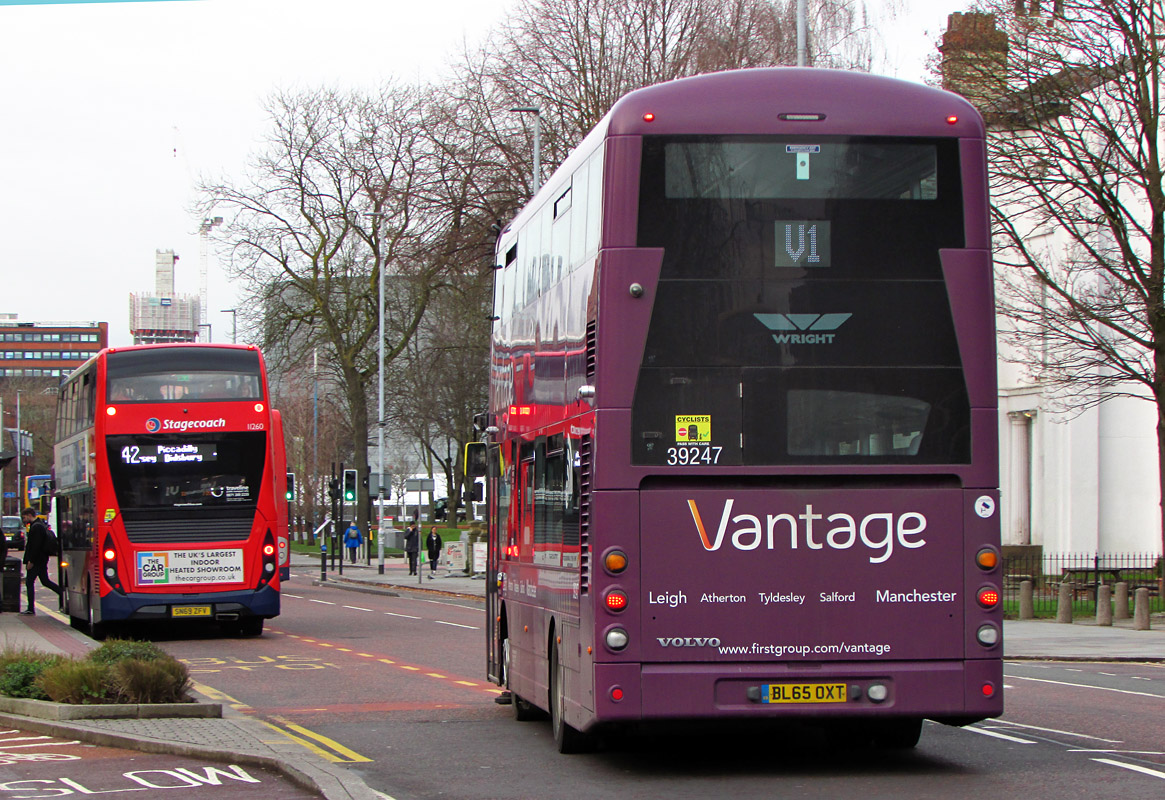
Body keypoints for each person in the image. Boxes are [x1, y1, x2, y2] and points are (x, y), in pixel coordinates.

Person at [21, 507, 59, 615]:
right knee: (45, 581)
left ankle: (30, 608)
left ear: (29, 515)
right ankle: (62, 593)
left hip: (37, 560)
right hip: (42, 559)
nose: (24, 520)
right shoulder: (39, 525)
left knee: (29, 582)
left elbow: (35, 546)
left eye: (24, 517)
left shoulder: (36, 527)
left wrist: (31, 561)